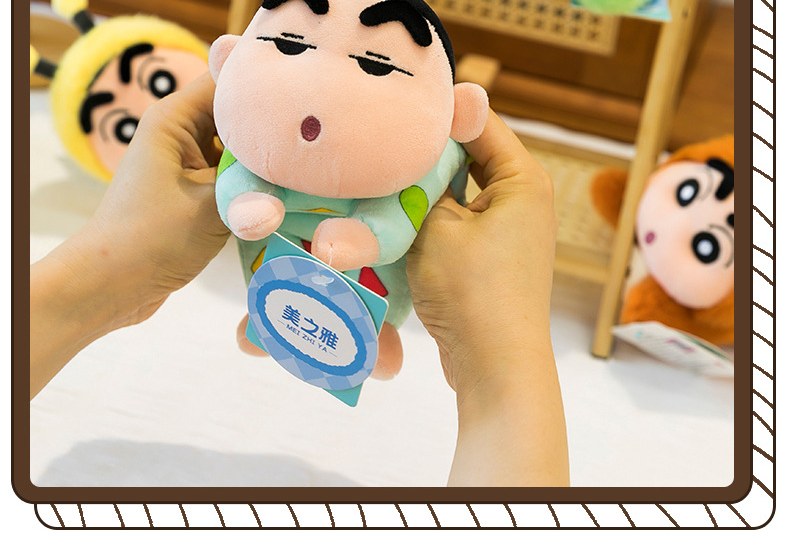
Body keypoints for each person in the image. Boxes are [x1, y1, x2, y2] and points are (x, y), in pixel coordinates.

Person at [29, 72, 569, 487]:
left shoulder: (429, 153)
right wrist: (501, 365)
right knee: (277, 284)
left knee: (350, 292)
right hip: (280, 263)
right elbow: (236, 176)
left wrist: (370, 236)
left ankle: (360, 335)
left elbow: (400, 215)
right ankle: (271, 323)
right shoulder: (261, 134)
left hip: (363, 265)